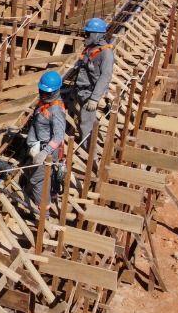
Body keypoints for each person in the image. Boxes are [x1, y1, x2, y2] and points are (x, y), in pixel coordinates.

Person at [24, 70, 68, 210]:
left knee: (37, 180)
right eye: (42, 91)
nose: (43, 95)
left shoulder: (56, 110)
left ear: (55, 92)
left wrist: (44, 153)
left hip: (46, 151)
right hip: (38, 147)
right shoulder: (45, 103)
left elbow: (59, 136)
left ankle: (44, 213)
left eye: (46, 93)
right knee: (42, 177)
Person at [69, 17, 114, 145]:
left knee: (86, 126)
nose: (85, 36)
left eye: (88, 34)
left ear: (97, 34)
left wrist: (94, 99)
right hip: (80, 90)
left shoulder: (106, 54)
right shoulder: (90, 48)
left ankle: (90, 157)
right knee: (84, 121)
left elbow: (105, 77)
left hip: (89, 94)